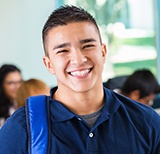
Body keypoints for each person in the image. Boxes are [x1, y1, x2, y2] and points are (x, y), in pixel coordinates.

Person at [0, 5, 160, 153]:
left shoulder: (146, 121)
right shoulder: (21, 129)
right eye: (63, 50)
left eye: (87, 46)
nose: (78, 59)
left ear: (103, 52)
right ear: (48, 64)